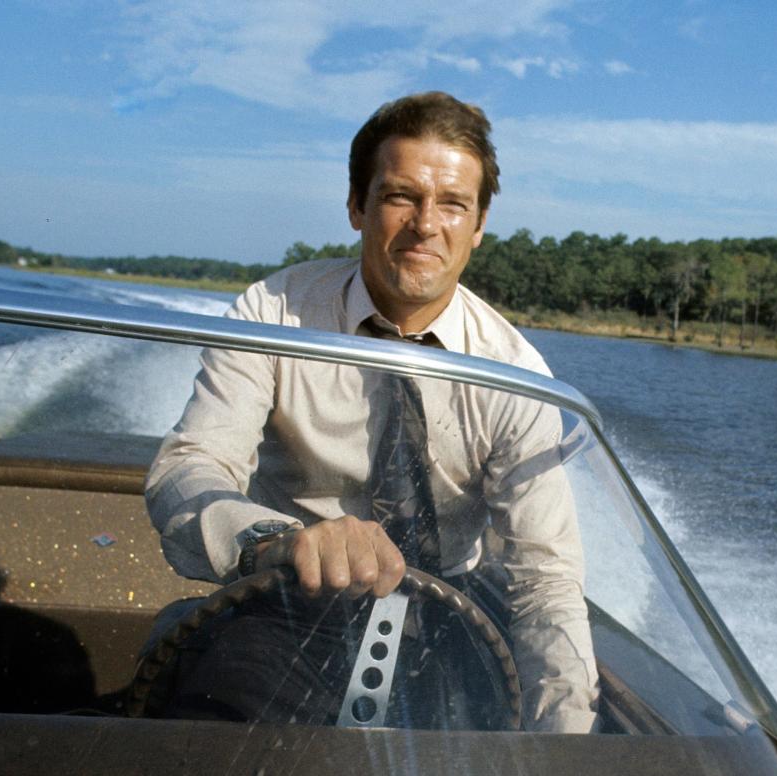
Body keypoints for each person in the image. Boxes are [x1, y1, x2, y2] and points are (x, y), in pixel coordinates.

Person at [146, 91, 598, 733]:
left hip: (447, 618)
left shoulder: (515, 374)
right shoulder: (274, 315)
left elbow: (543, 580)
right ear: (357, 205)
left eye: (451, 204)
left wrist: (567, 745)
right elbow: (188, 468)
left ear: (478, 224)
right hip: (287, 600)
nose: (425, 225)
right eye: (400, 197)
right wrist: (278, 541)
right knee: (213, 733)